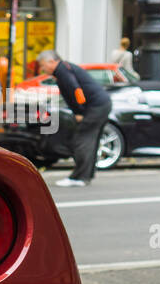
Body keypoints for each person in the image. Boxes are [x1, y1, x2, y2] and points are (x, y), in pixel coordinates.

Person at [37, 49, 112, 187]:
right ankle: (85, 176)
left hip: (95, 107)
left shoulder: (62, 70)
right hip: (101, 104)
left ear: (51, 62)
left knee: (82, 139)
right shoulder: (64, 68)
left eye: (43, 65)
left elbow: (75, 89)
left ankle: (79, 177)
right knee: (90, 140)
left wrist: (79, 112)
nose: (42, 69)